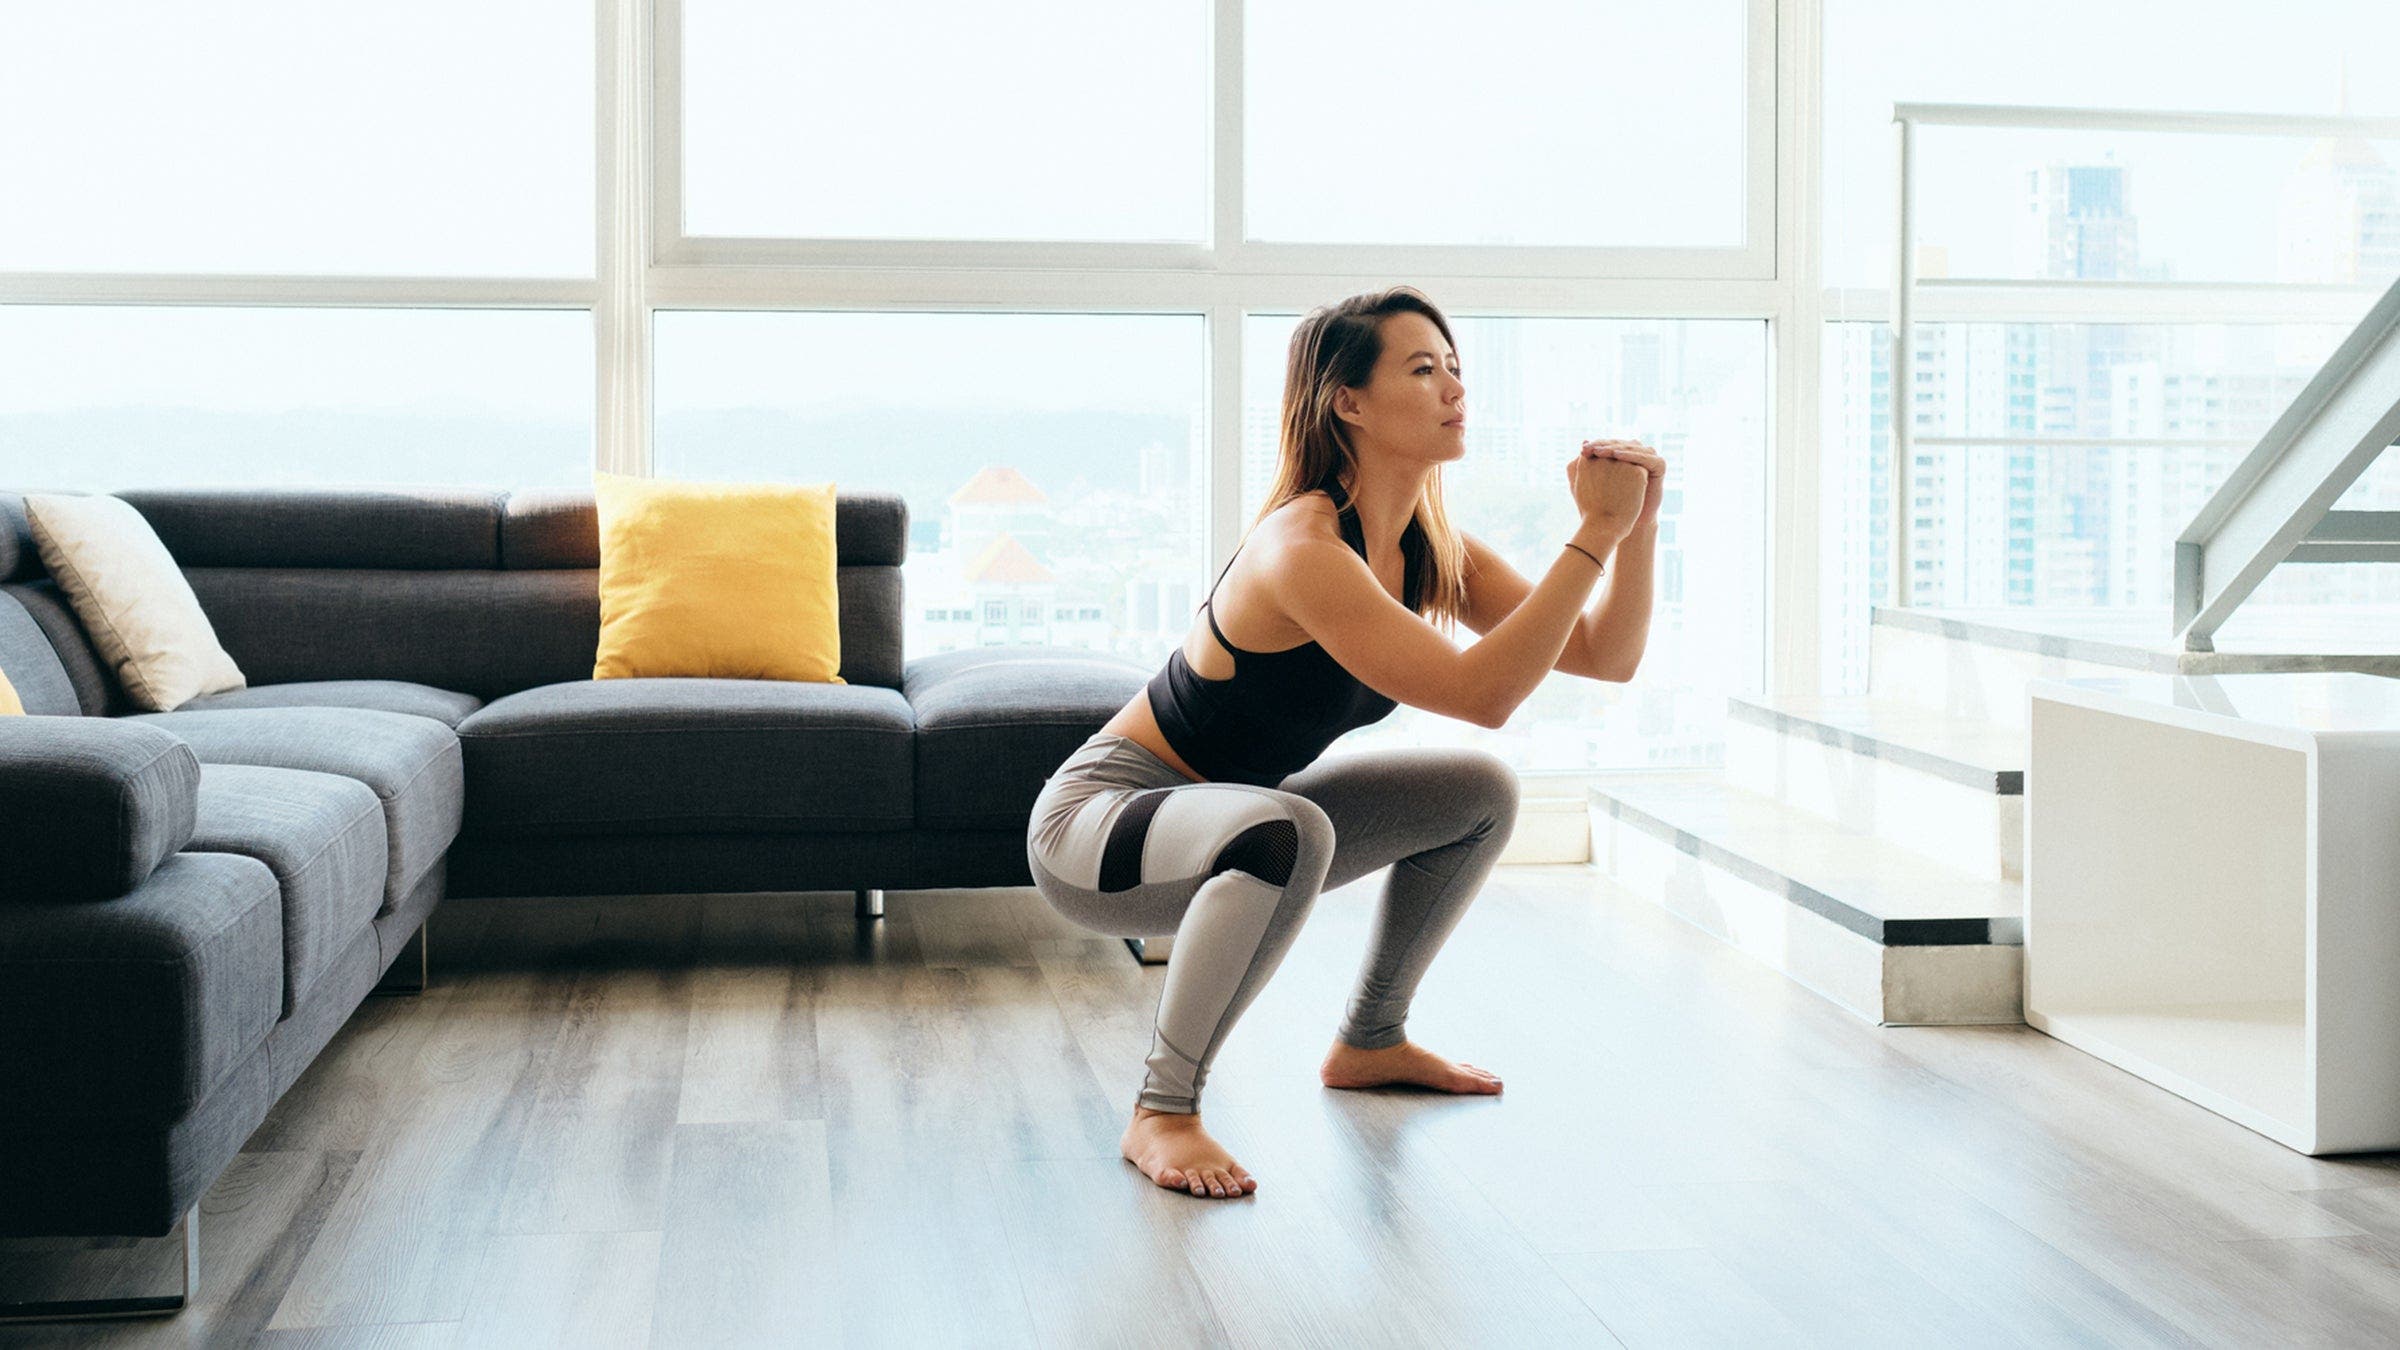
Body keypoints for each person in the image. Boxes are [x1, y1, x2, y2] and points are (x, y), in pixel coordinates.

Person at [1023, 286, 1664, 1200]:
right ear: (1348, 401)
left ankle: (1372, 1040)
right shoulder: (1305, 546)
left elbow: (1605, 656)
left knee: (1478, 793)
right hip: (1099, 826)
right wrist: (1594, 529)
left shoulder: (1428, 548)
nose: (1455, 388)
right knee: (1289, 830)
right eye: (1423, 369)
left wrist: (1636, 531)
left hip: (1243, 822)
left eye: (1455, 367)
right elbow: (1483, 694)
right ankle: (1162, 1111)